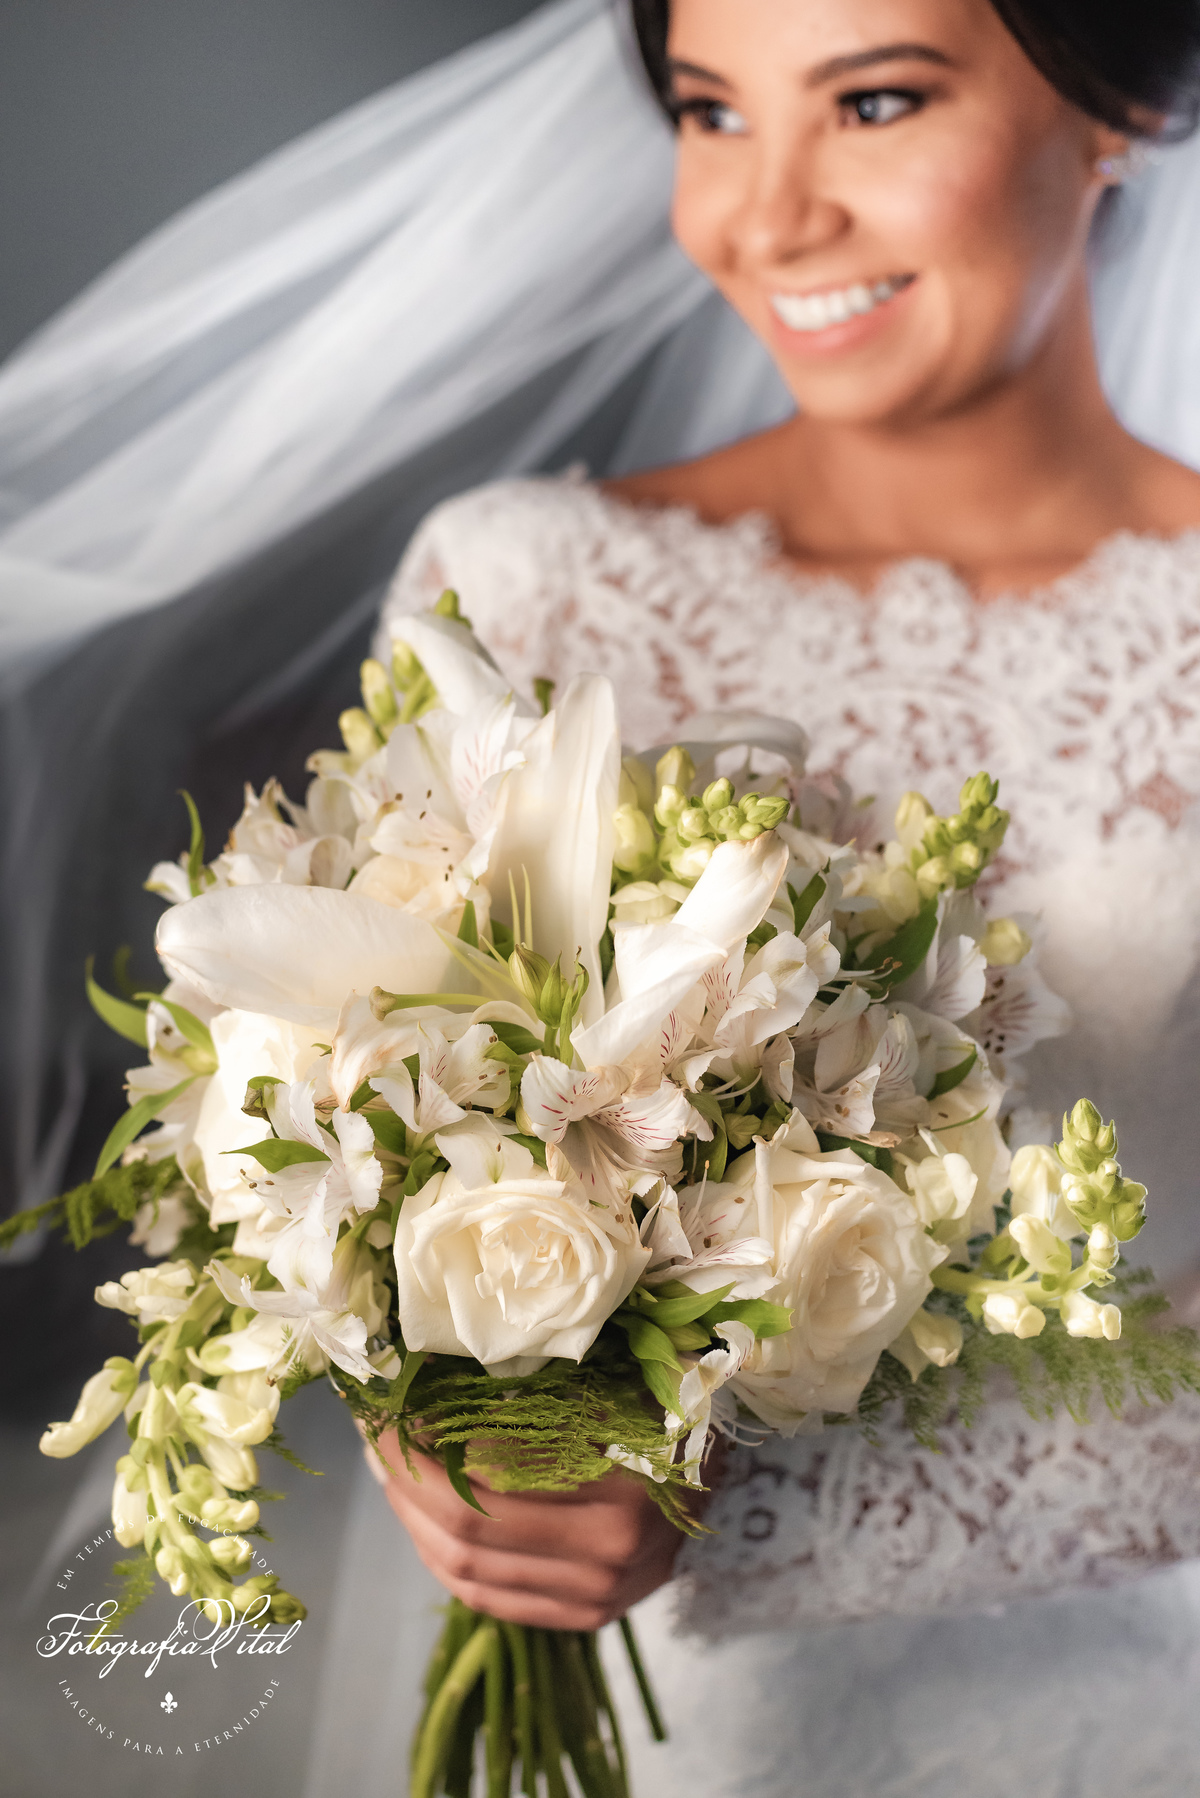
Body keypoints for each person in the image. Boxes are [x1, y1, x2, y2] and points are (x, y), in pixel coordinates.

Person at [367, 0, 1200, 1790]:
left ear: (1115, 99)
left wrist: (726, 1502)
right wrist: (448, 1422)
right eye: (711, 112)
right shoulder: (517, 595)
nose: (765, 218)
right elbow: (358, 1167)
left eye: (875, 100)